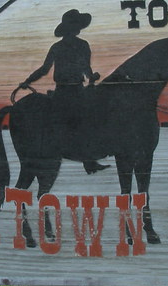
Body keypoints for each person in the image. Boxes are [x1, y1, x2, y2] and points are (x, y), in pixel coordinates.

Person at [20, 9, 108, 173]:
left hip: (63, 91)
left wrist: (28, 81)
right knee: (89, 120)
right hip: (75, 91)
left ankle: (82, 158)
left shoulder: (58, 47)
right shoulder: (81, 45)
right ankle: (88, 160)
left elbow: (44, 69)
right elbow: (86, 68)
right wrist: (92, 78)